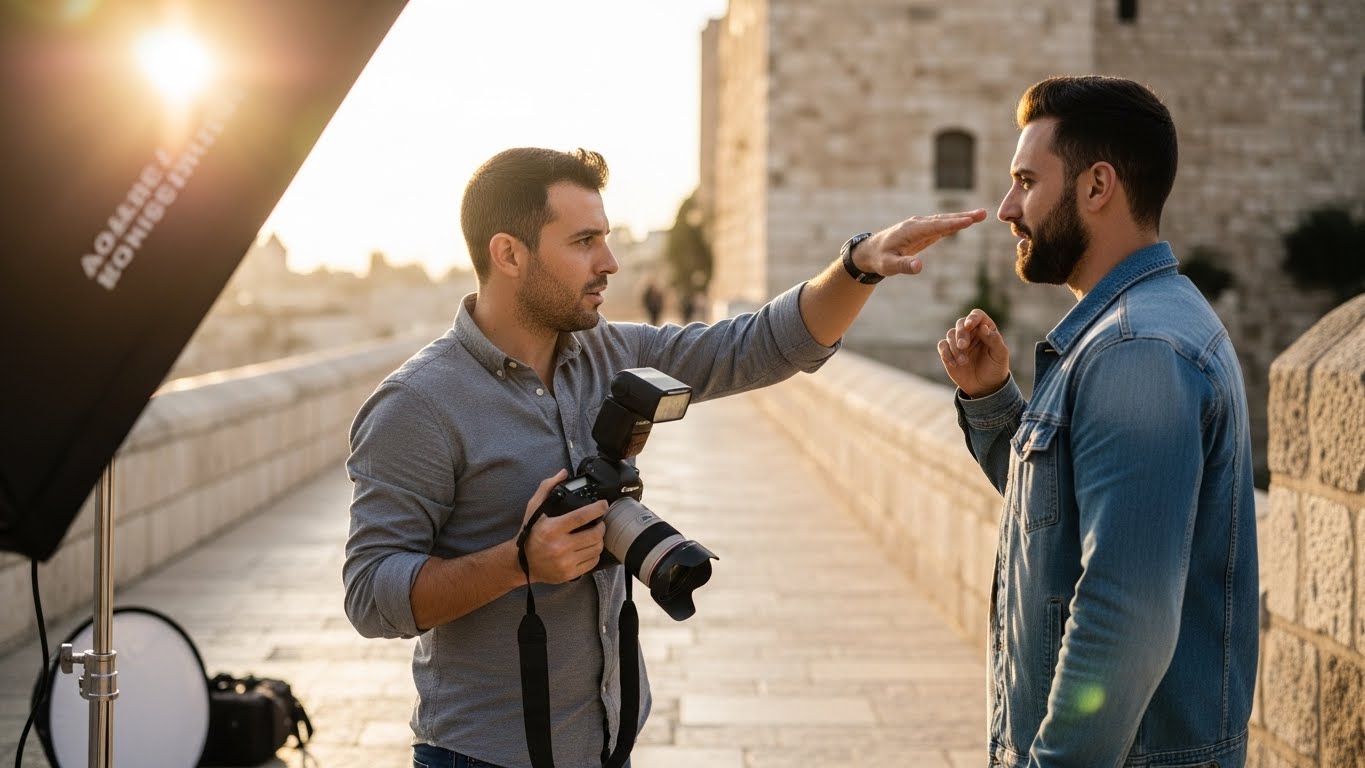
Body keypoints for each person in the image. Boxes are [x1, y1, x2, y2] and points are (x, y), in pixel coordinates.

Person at [342, 146, 986, 768]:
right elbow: (371, 595)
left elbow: (757, 345)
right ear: (508, 254)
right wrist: (519, 562)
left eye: (606, 236)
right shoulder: (416, 404)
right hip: (481, 758)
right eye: (583, 241)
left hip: (610, 744)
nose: (611, 261)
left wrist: (857, 266)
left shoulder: (610, 352)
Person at [937, 76, 1257, 767]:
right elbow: (1065, 515)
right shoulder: (1127, 330)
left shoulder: (1137, 351)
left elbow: (1123, 616)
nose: (1006, 208)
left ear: (1096, 186)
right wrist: (994, 401)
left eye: (1026, 180)